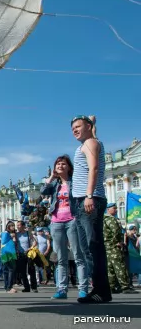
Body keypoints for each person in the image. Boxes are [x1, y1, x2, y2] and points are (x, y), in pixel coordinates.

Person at [70, 115, 111, 303]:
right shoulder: (89, 142)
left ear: (88, 126)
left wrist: (88, 195)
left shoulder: (90, 143)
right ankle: (99, 290)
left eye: (78, 126)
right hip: (81, 202)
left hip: (89, 199)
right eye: (72, 128)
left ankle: (101, 290)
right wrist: (93, 125)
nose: (74, 130)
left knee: (93, 247)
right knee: (87, 248)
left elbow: (93, 169)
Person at [41, 155, 89, 299]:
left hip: (72, 220)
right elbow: (43, 191)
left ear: (69, 167)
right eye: (58, 164)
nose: (60, 166)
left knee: (78, 256)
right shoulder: (55, 185)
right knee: (60, 258)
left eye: (63, 164)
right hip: (56, 222)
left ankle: (83, 289)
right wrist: (51, 177)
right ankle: (62, 289)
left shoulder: (74, 182)